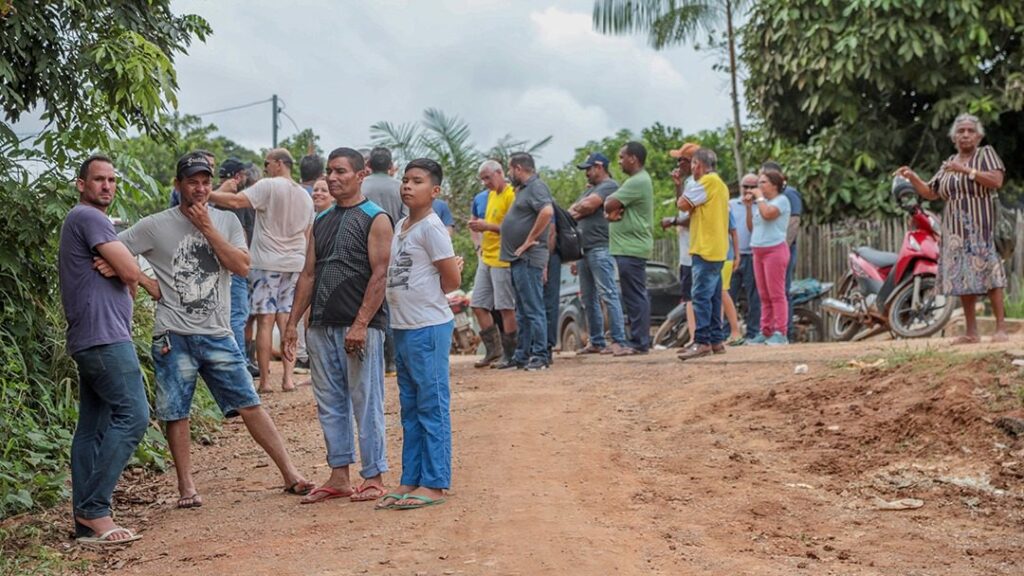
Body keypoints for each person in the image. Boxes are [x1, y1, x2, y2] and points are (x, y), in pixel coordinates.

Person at [112, 152, 313, 509]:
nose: (201, 188)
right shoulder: (155, 225)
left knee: (250, 403)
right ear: (178, 186)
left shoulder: (228, 221)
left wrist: (207, 227)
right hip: (173, 336)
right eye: (193, 182)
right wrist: (144, 280)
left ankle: (290, 472)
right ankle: (186, 487)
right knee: (176, 411)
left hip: (218, 333)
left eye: (205, 182)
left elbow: (241, 267)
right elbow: (114, 249)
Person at [282, 147, 392, 504]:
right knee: (329, 402)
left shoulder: (376, 218)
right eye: (330, 171)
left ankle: (374, 475)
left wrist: (361, 323)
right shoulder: (322, 220)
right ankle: (339, 475)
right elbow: (309, 274)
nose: (332, 177)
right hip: (321, 325)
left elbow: (380, 275)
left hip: (360, 326)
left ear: (360, 175)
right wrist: (293, 324)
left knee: (366, 400)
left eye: (341, 171)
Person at [59, 154, 159, 545]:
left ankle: (86, 523)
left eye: (112, 180)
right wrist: (123, 265)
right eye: (98, 179)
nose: (106, 186)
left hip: (93, 335)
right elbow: (133, 274)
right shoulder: (89, 218)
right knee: (134, 416)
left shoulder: (87, 222)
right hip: (103, 338)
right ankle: (95, 509)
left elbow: (126, 273)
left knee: (93, 428)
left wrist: (119, 263)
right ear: (80, 184)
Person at [377, 158, 463, 510]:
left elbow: (452, 280)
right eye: (406, 180)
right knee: (410, 408)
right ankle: (410, 478)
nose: (408, 186)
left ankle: (435, 483)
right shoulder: (401, 225)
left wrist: (428, 295)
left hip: (428, 326)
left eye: (418, 181)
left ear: (435, 190)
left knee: (432, 405)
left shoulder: (431, 227)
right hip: (404, 325)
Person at [897, 113, 1009, 343]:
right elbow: (931, 191)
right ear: (953, 138)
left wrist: (966, 170)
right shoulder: (949, 163)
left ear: (978, 136)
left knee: (991, 277)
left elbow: (996, 181)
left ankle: (1001, 329)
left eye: (970, 131)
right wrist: (913, 177)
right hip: (955, 233)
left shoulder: (985, 154)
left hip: (981, 228)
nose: (965, 135)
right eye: (960, 131)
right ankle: (971, 333)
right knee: (963, 279)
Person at [209, 148, 314, 393]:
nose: (265, 167)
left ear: (278, 163)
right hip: (295, 262)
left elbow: (236, 201)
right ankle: (288, 379)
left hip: (267, 261)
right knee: (287, 319)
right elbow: (308, 234)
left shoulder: (268, 186)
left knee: (265, 321)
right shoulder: (305, 196)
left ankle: (266, 382)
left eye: (267, 163)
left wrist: (206, 194)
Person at [497, 152, 553, 371]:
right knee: (522, 309)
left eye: (510, 170)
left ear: (518, 168)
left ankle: (540, 355)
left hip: (529, 258)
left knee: (533, 307)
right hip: (518, 258)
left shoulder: (537, 187)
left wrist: (530, 240)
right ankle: (522, 355)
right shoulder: (524, 190)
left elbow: (547, 212)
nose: (509, 174)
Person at [568, 152, 628, 355]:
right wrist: (581, 209)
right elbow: (571, 213)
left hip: (601, 246)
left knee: (608, 293)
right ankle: (596, 340)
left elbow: (588, 206)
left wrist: (582, 208)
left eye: (589, 169)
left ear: (600, 166)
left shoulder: (609, 186)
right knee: (587, 298)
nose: (586, 173)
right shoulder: (590, 189)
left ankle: (618, 340)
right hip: (583, 249)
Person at [677, 148, 731, 360]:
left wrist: (682, 189)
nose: (691, 169)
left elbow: (682, 204)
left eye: (692, 164)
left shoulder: (707, 182)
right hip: (717, 247)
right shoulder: (721, 185)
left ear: (697, 164)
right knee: (714, 296)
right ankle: (716, 339)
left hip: (705, 247)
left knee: (700, 296)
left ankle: (702, 341)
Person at [604, 141, 654, 356]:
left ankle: (640, 341)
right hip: (628, 246)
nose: (619, 161)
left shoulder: (637, 181)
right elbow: (612, 208)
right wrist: (612, 210)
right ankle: (638, 339)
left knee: (635, 295)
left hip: (631, 247)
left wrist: (611, 209)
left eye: (622, 157)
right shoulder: (635, 181)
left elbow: (608, 203)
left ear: (633, 158)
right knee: (633, 294)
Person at [467, 160, 518, 368]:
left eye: (488, 178)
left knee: (506, 307)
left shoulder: (511, 194)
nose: (485, 183)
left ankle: (511, 353)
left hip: (502, 258)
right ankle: (493, 350)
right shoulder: (489, 196)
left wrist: (487, 226)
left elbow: (515, 228)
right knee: (478, 304)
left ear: (499, 173)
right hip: (486, 257)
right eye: (482, 179)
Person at [361, 146, 405, 376]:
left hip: (362, 253)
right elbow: (407, 220)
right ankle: (392, 362)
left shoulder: (361, 186)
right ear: (390, 166)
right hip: (393, 253)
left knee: (366, 302)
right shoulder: (400, 188)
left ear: (368, 165)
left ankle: (370, 361)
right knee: (389, 305)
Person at [214, 158, 255, 363]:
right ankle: (239, 363)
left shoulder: (210, 196)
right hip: (233, 266)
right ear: (238, 176)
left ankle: (236, 361)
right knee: (237, 316)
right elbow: (247, 234)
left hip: (214, 267)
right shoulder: (241, 200)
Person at [744, 170, 792, 345]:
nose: (758, 186)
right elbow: (751, 227)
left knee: (776, 293)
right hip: (758, 250)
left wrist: (759, 199)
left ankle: (781, 332)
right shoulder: (761, 203)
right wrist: (749, 207)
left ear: (774, 185)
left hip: (775, 250)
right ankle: (766, 330)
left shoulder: (781, 201)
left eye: (762, 182)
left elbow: (769, 214)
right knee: (763, 294)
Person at [663, 143, 699, 348]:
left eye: (682, 160)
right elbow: (682, 207)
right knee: (691, 297)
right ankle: (697, 336)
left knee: (692, 298)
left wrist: (674, 222)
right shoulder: (688, 184)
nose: (678, 164)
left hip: (693, 249)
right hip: (687, 249)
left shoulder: (696, 185)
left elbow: (691, 217)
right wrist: (677, 185)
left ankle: (696, 337)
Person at [761, 160, 803, 338]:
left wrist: (782, 248)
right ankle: (768, 331)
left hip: (781, 250)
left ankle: (786, 332)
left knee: (781, 291)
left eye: (764, 178)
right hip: (768, 250)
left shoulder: (790, 194)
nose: (760, 182)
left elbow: (794, 222)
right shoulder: (769, 198)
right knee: (769, 292)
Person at [731, 173, 762, 342]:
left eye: (752, 186)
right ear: (740, 187)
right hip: (734, 256)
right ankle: (727, 332)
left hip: (753, 255)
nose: (749, 190)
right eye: (745, 186)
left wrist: (752, 206)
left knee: (754, 297)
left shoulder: (761, 205)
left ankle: (753, 333)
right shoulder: (731, 205)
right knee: (729, 294)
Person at [361, 147, 406, 223]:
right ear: (391, 165)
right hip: (394, 233)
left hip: (364, 234)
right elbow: (406, 217)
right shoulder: (401, 186)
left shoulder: (359, 185)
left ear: (368, 164)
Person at [721, 211, 744, 345]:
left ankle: (735, 331)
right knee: (718, 295)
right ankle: (718, 331)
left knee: (722, 292)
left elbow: (734, 232)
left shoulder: (726, 209)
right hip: (715, 255)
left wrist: (737, 255)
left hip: (725, 256)